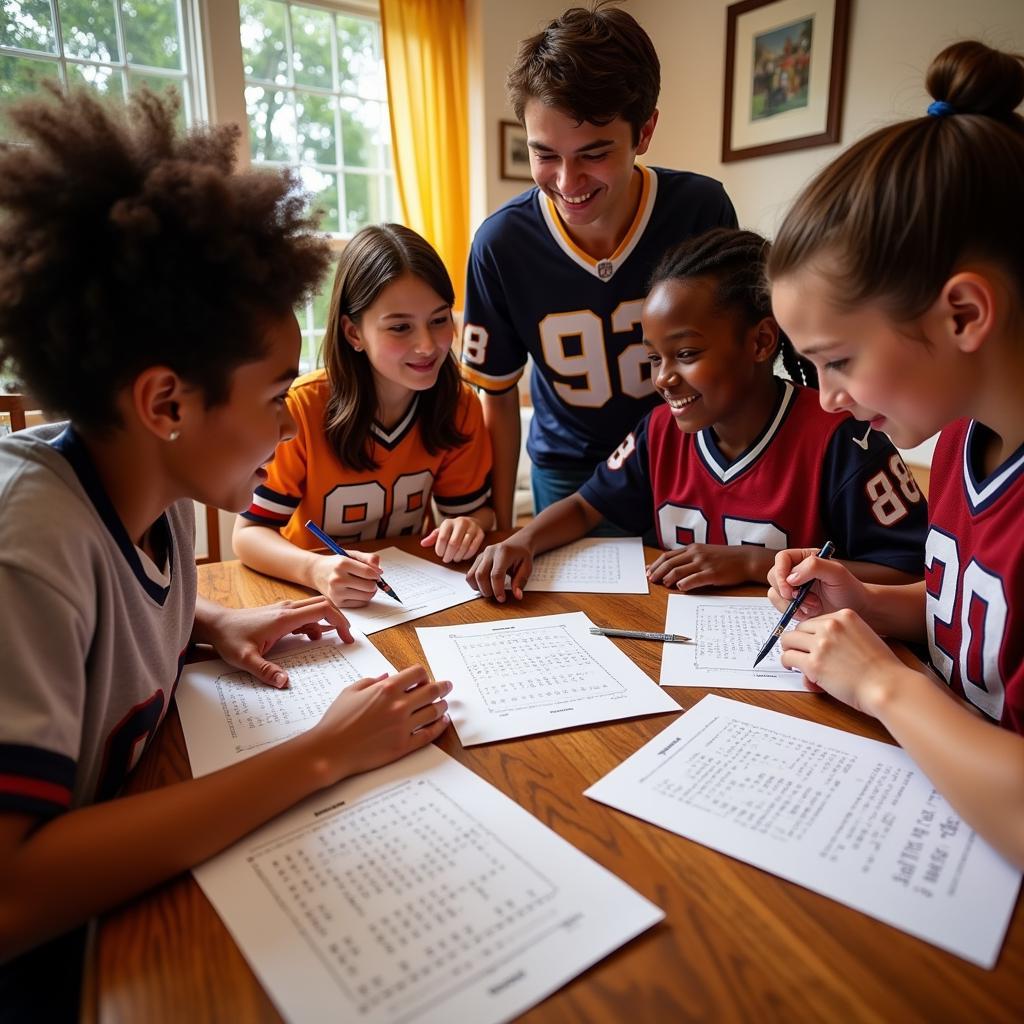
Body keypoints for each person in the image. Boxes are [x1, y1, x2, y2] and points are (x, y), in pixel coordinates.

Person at [0, 89, 451, 1018]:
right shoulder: (26, 552)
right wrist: (321, 753)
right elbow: (11, 896)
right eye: (275, 391)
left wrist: (207, 621)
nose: (290, 416)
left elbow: (114, 612)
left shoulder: (148, 490)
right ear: (166, 405)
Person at [764, 41, 1024, 868]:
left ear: (962, 314)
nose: (828, 397)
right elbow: (984, 617)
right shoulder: (959, 437)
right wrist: (881, 605)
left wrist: (883, 683)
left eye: (838, 360)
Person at [467, 228, 927, 601]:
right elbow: (588, 505)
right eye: (654, 359)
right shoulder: (660, 430)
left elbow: (909, 574)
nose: (664, 378)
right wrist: (521, 540)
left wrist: (753, 563)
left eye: (686, 353)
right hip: (682, 650)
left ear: (761, 342)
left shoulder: (843, 441)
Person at [459, 1, 737, 529]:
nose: (567, 182)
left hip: (681, 453)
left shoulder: (700, 210)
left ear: (645, 131)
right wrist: (498, 522)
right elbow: (495, 396)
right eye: (545, 154)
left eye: (593, 153)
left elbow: (735, 353)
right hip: (569, 467)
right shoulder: (501, 243)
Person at [233, 224, 494, 607]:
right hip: (310, 598)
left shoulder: (459, 405)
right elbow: (249, 534)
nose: (426, 345)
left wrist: (467, 527)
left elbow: (475, 514)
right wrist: (315, 570)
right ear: (354, 333)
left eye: (439, 320)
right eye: (401, 327)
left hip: (407, 600)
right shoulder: (302, 408)